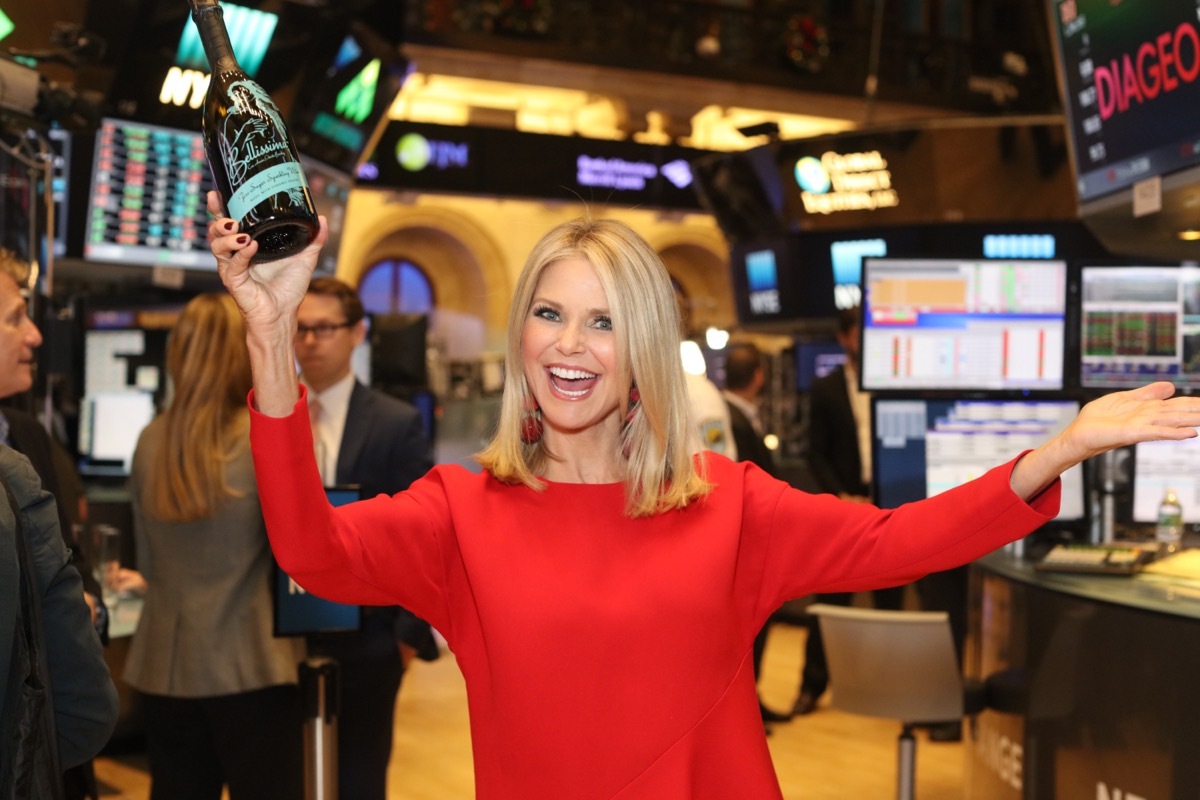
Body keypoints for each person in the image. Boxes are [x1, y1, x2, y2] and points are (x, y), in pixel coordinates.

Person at [208, 196, 1200, 799]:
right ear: (519, 339)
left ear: (640, 351)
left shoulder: (727, 503)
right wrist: (271, 338)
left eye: (601, 321)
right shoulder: (459, 510)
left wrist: (1058, 448)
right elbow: (311, 547)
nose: (567, 342)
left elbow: (899, 538)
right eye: (548, 312)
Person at [121, 294, 305, 800]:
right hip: (252, 663)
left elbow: (150, 563)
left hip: (166, 664)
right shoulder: (260, 439)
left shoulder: (149, 441)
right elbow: (298, 551)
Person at [296, 276, 438, 800]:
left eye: (323, 328)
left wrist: (403, 637)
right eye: (300, 329)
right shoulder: (270, 416)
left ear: (357, 333)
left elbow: (424, 534)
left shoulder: (394, 423)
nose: (309, 340)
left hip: (368, 639)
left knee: (359, 780)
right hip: (281, 640)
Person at [0, 247, 110, 800]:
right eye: (17, 317)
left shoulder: (30, 439)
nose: (37, 335)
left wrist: (89, 601)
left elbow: (71, 565)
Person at [793, 304, 906, 718]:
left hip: (890, 504)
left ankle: (894, 692)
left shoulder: (896, 384)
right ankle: (811, 686)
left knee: (891, 605)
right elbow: (815, 453)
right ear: (845, 338)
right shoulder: (825, 388)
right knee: (832, 600)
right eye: (860, 332)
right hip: (844, 508)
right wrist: (837, 496)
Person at [720, 342, 789, 726]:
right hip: (745, 542)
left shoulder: (737, 413)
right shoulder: (730, 417)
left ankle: (752, 703)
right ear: (759, 376)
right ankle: (746, 709)